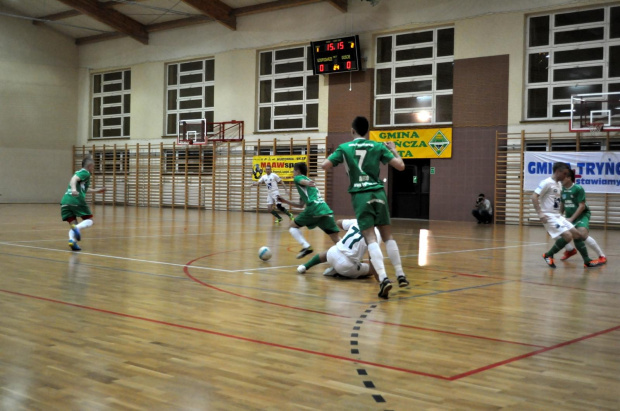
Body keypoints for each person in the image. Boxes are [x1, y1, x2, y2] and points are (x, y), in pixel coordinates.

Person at [322, 116, 409, 299]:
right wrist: (394, 150)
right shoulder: (377, 146)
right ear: (367, 131)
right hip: (378, 193)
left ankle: (384, 278)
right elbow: (400, 166)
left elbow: (325, 165)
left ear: (352, 130)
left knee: (370, 238)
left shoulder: (344, 148)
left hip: (360, 196)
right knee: (387, 236)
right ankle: (400, 274)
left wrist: (335, 155)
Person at [530, 162, 602, 268]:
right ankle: (548, 255)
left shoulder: (559, 184)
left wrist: (561, 214)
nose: (565, 176)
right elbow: (534, 196)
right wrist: (540, 213)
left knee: (577, 235)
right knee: (568, 236)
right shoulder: (546, 182)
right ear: (558, 172)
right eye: (564, 173)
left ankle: (587, 261)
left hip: (558, 216)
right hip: (548, 216)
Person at [277, 162, 340, 259]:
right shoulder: (307, 187)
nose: (293, 173)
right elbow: (301, 205)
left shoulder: (298, 177)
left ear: (297, 171)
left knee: (292, 227)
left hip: (313, 208)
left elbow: (301, 180)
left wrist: (307, 183)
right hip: (325, 209)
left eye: (294, 171)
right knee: (335, 238)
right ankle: (352, 254)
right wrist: (285, 201)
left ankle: (306, 246)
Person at [297, 219, 379, 280]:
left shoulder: (358, 221)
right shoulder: (376, 234)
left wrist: (345, 234)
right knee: (371, 270)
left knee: (330, 251)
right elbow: (372, 257)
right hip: (346, 266)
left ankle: (304, 266)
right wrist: (379, 277)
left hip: (332, 254)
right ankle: (337, 272)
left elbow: (339, 222)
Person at [559, 168, 607, 264]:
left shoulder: (578, 188)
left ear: (569, 178)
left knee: (582, 235)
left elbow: (582, 206)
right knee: (558, 231)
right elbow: (562, 204)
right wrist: (559, 217)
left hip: (582, 214)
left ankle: (602, 256)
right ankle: (569, 250)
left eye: (562, 177)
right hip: (569, 216)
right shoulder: (561, 189)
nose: (560, 179)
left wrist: (572, 219)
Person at [60, 156, 106, 251]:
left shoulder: (80, 173)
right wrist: (73, 189)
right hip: (76, 200)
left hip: (65, 201)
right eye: (93, 167)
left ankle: (72, 241)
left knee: (73, 223)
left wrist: (97, 191)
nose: (93, 169)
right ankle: (76, 228)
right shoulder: (85, 173)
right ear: (89, 166)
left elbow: (83, 188)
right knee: (90, 220)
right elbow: (73, 179)